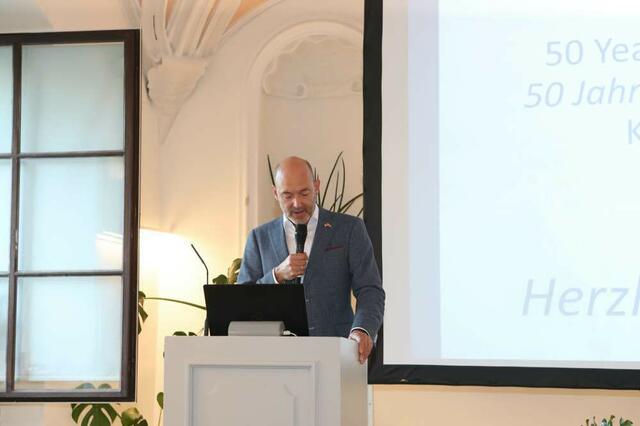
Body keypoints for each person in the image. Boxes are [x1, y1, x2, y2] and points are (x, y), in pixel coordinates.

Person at [237, 156, 385, 364]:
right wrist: (277, 275)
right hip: (273, 361)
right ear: (275, 193)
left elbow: (370, 290)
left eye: (304, 193)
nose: (297, 203)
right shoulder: (259, 238)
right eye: (287, 195)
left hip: (335, 357)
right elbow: (241, 303)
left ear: (316, 186)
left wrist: (362, 330)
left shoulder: (349, 229)